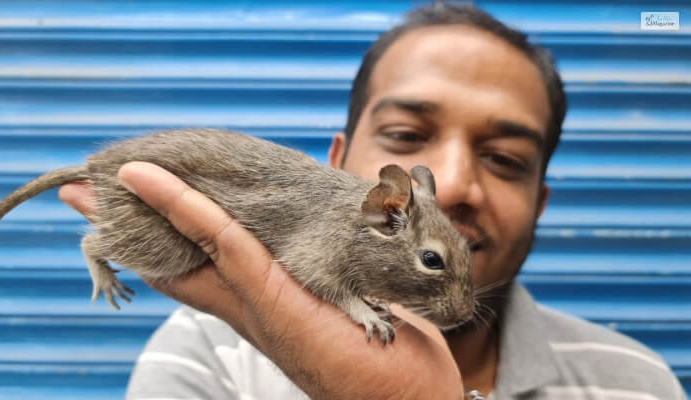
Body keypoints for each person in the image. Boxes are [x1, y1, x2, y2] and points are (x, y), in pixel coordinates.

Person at [60, 3, 686, 399]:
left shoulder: (638, 384)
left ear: (542, 201)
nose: (458, 183)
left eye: (505, 159)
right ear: (348, 171)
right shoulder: (208, 355)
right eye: (408, 137)